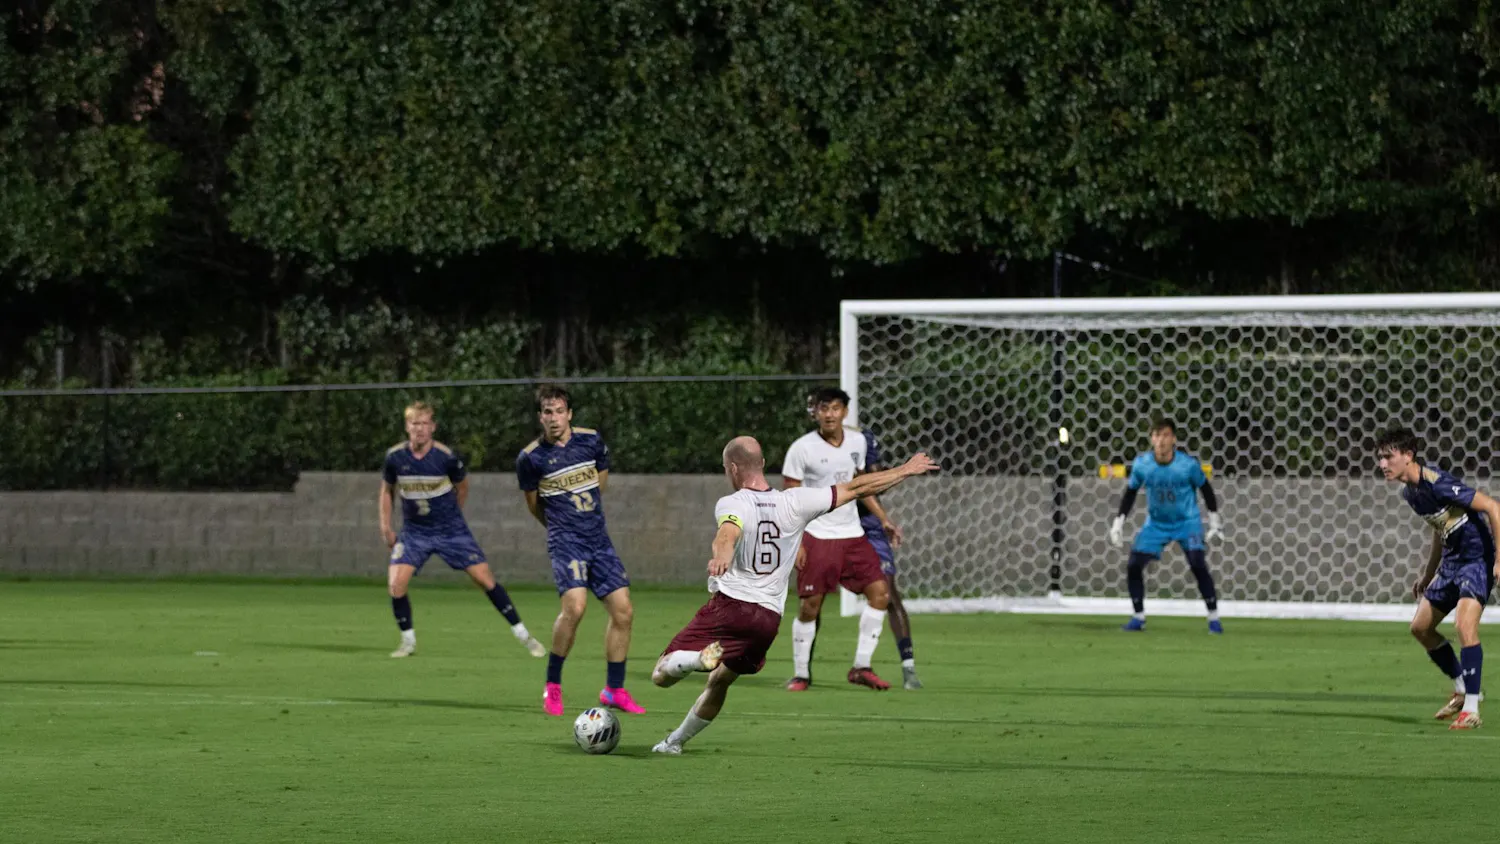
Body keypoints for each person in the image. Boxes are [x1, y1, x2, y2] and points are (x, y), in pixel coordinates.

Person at [649, 436, 938, 754]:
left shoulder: (733, 503)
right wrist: (905, 469)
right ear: (762, 464)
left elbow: (727, 533)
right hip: (767, 621)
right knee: (720, 681)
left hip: (731, 609)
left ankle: (697, 659)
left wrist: (722, 555)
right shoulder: (796, 501)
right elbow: (857, 487)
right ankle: (673, 743)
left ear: (732, 468)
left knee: (661, 674)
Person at [379, 401, 544, 659]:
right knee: (396, 584)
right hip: (415, 532)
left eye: (424, 423)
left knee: (484, 579)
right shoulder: (395, 457)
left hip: (450, 530)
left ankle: (524, 635)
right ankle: (407, 642)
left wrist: (452, 515)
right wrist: (385, 526)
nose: (419, 429)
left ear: (433, 427)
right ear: (407, 426)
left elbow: (463, 486)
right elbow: (387, 490)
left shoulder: (446, 457)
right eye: (414, 423)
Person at [516, 384, 643, 716]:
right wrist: (562, 527)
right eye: (548, 412)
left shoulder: (591, 441)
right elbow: (534, 505)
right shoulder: (531, 458)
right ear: (540, 417)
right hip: (566, 542)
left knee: (623, 611)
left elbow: (601, 481)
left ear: (569, 414)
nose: (554, 418)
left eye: (560, 411)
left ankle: (614, 690)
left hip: (599, 540)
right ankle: (553, 685)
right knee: (575, 607)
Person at [1377, 427, 1500, 730]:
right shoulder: (1411, 493)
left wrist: (1499, 559)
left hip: (1476, 561)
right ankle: (1462, 687)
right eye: (1380, 457)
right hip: (1451, 563)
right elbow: (1440, 529)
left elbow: (1492, 507)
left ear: (1408, 455)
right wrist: (1428, 574)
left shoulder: (1438, 483)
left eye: (1389, 456)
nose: (1383, 464)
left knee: (1464, 626)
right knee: (1420, 628)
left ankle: (1471, 709)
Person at [782, 388, 894, 691]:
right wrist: (796, 541)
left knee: (880, 594)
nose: (829, 414)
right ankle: (801, 674)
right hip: (817, 535)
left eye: (834, 408)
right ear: (815, 413)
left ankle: (861, 667)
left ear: (844, 411)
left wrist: (883, 518)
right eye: (823, 408)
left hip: (853, 535)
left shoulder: (858, 442)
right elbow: (790, 499)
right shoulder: (801, 449)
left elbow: (859, 486)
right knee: (810, 606)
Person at [1107, 418, 1225, 633]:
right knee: (1134, 565)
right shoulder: (1143, 465)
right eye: (1157, 435)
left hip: (1187, 522)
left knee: (1197, 563)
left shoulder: (1187, 465)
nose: (1161, 440)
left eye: (1165, 435)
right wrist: (1118, 523)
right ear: (1151, 439)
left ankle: (1214, 618)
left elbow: (1206, 489)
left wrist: (1215, 522)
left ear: (1174, 439)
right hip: (1157, 524)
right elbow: (1131, 492)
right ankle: (1138, 617)